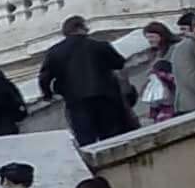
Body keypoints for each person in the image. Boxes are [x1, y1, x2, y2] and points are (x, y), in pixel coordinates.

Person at [40, 14, 139, 145]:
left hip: (76, 101)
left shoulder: (55, 52)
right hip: (106, 97)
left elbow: (44, 77)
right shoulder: (99, 46)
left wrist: (48, 94)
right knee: (111, 137)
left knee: (86, 139)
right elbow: (119, 63)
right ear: (81, 28)